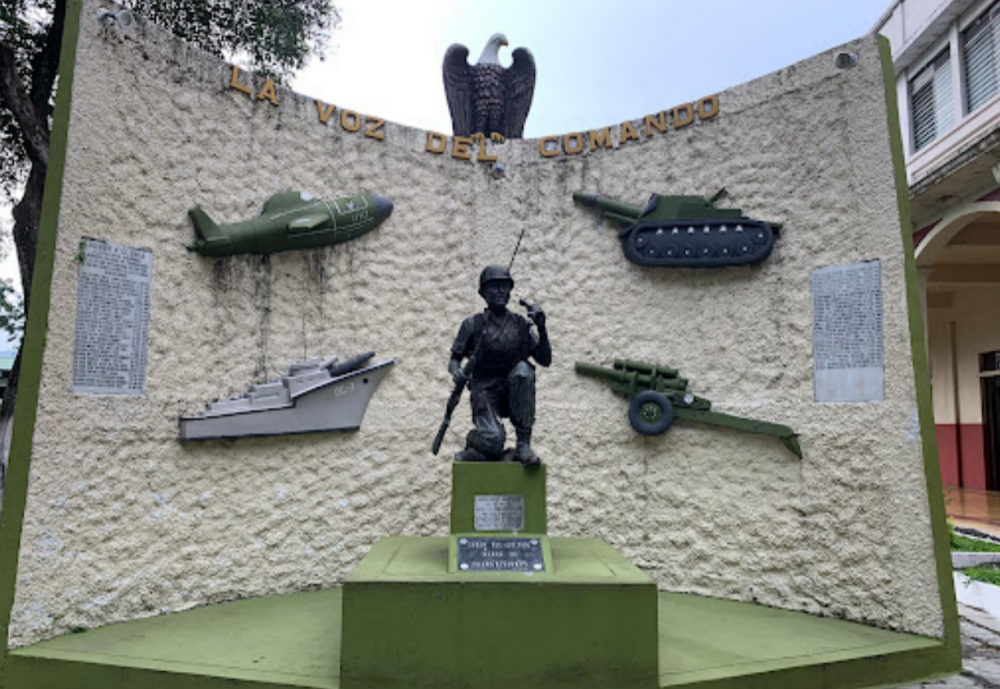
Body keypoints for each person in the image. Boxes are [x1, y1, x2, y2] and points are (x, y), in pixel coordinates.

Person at [449, 265, 551, 465]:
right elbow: (454, 359)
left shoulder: (520, 324)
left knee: (523, 371)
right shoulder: (472, 324)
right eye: (494, 287)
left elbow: (544, 359)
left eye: (504, 286)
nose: (500, 291)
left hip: (514, 390)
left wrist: (541, 326)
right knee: (493, 441)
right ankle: (476, 440)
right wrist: (458, 373)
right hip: (485, 390)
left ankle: (523, 445)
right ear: (483, 293)